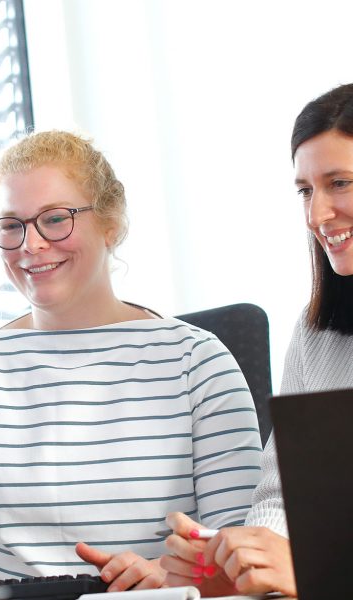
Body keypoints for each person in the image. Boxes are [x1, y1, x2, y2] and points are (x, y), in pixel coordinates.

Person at [0, 130, 262, 587]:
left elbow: (237, 543)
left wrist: (163, 572)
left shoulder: (197, 362)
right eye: (11, 225)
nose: (31, 244)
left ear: (110, 223)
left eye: (55, 219)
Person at [158, 83, 353, 597]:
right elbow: (282, 496)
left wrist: (315, 571)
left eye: (340, 183)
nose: (317, 216)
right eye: (306, 191)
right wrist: (241, 561)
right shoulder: (317, 336)